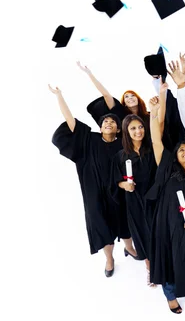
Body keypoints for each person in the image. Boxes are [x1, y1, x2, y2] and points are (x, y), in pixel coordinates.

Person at [49, 84, 134, 276]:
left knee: (124, 220)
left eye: (113, 122)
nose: (109, 123)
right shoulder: (89, 140)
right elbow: (70, 120)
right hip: (94, 192)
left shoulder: (123, 144)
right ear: (100, 126)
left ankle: (129, 247)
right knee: (101, 225)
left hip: (120, 190)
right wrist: (59, 95)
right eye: (105, 122)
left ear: (119, 128)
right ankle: (109, 258)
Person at [146, 92, 185, 313]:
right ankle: (171, 295)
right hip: (167, 223)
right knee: (169, 259)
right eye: (182, 150)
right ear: (176, 156)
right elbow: (155, 140)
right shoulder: (169, 170)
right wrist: (153, 114)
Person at [113, 112, 157, 286]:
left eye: (140, 127)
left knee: (157, 233)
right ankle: (150, 269)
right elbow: (114, 181)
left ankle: (164, 267)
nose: (138, 131)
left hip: (154, 199)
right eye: (133, 128)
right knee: (141, 235)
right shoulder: (121, 156)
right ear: (126, 131)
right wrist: (125, 185)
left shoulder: (153, 149)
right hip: (135, 201)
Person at [77, 61, 150, 127]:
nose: (130, 98)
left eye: (133, 95)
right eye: (126, 97)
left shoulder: (149, 115)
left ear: (138, 99)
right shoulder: (121, 114)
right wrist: (89, 73)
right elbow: (106, 95)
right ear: (124, 103)